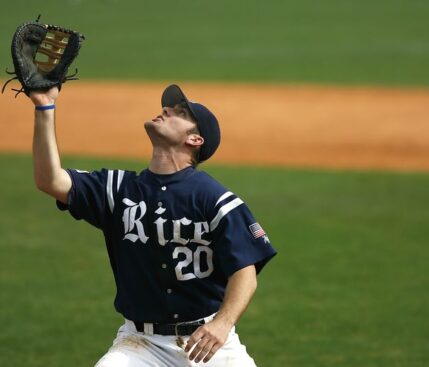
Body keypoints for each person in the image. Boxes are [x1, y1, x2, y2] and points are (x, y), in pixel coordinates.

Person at [30, 84, 277, 366]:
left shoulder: (214, 199)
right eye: (169, 108)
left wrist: (222, 324)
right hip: (141, 345)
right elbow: (49, 181)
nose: (166, 110)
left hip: (210, 343)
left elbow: (245, 272)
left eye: (180, 112)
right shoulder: (119, 190)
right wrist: (44, 106)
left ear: (195, 139)